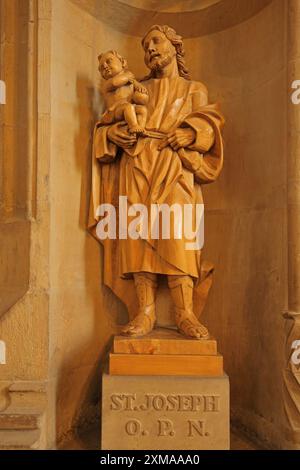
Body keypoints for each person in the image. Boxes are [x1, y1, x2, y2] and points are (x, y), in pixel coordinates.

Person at [88, 25, 224, 339]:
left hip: (175, 164)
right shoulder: (136, 88)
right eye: (146, 45)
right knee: (137, 236)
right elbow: (107, 120)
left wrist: (190, 133)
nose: (150, 48)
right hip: (137, 161)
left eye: (156, 41)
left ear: (175, 46)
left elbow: (210, 124)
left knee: (178, 235)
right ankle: (145, 311)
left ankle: (184, 312)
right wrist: (111, 134)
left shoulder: (194, 89)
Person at [98, 50, 149, 135]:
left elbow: (138, 88)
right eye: (102, 68)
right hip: (113, 112)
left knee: (142, 110)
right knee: (127, 107)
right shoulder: (108, 84)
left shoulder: (130, 78)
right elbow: (115, 82)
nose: (105, 66)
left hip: (127, 109)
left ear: (122, 62)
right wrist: (127, 76)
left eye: (108, 61)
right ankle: (134, 126)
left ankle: (141, 128)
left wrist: (140, 88)